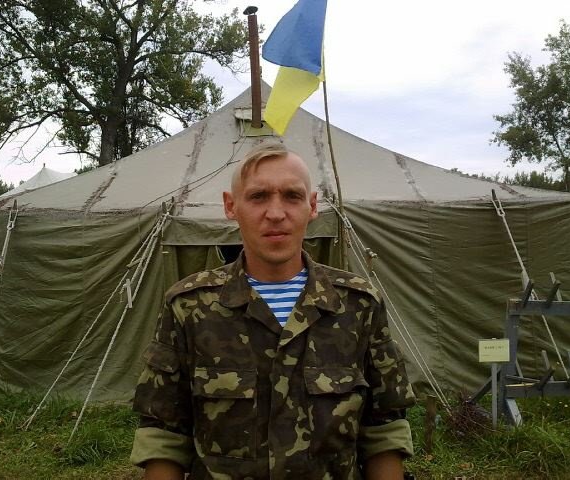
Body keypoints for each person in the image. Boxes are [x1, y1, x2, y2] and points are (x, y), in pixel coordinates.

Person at [130, 142, 416, 479]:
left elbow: (383, 430)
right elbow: (164, 435)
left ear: (312, 206)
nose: (276, 213)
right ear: (231, 206)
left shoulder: (358, 304)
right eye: (258, 196)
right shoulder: (189, 307)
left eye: (292, 196)